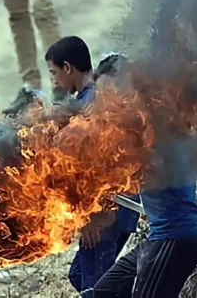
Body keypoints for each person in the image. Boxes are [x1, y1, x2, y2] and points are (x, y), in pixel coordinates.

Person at [44, 36, 141, 297]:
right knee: (80, 275)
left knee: (93, 287)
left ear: (68, 68)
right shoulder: (92, 98)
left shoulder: (90, 104)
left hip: (105, 213)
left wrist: (91, 216)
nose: (53, 80)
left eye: (53, 72)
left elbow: (99, 166)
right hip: (119, 208)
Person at [92, 137, 197, 297]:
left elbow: (148, 170)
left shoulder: (162, 146)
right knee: (107, 291)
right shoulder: (174, 138)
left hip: (175, 238)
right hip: (160, 237)